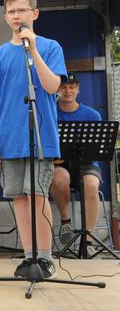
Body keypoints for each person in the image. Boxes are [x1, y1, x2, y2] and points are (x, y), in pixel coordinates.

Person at [0, 0, 66, 279]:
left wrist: (33, 50)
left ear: (34, 14)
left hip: (40, 138)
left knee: (38, 197)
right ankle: (28, 257)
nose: (17, 16)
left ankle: (44, 258)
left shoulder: (50, 47)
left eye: (22, 10)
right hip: (9, 137)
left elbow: (52, 85)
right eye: (12, 12)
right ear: (6, 18)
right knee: (18, 198)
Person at [49, 72, 103, 255]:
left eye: (72, 87)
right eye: (63, 87)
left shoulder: (92, 115)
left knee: (91, 184)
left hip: (86, 163)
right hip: (60, 164)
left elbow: (97, 149)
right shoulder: (50, 112)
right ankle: (66, 222)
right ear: (57, 89)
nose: (67, 90)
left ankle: (87, 241)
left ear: (78, 89)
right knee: (58, 178)